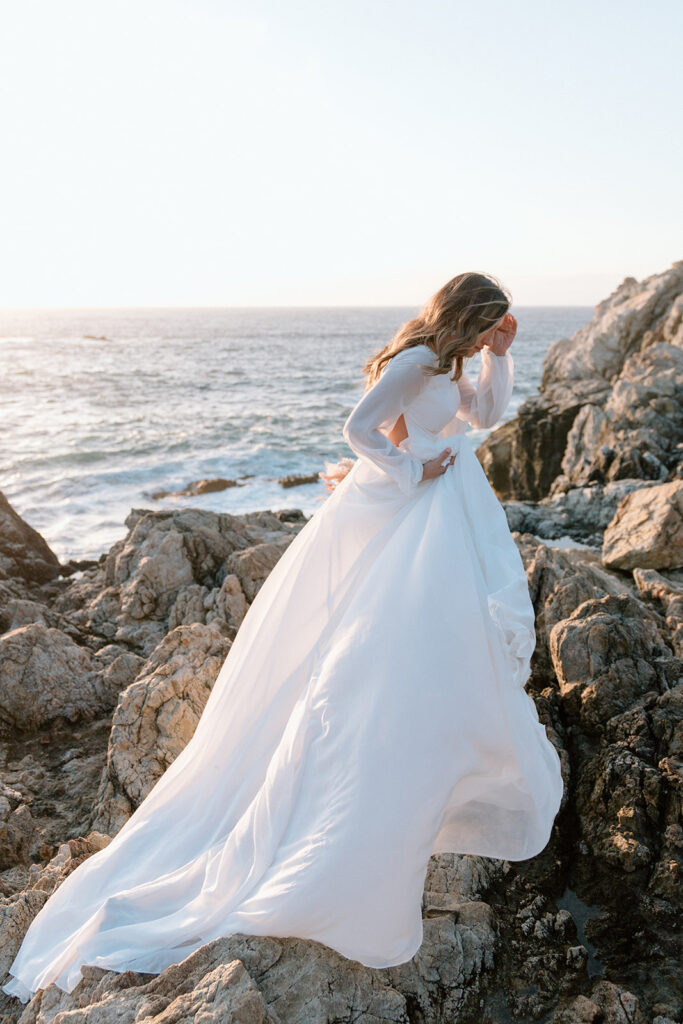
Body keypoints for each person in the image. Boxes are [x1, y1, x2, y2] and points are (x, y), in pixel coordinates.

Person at [2, 272, 564, 1003]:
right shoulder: (413, 361)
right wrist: (409, 466)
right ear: (460, 312)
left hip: (450, 508)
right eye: (487, 321)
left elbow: (484, 415)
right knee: (373, 657)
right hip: (413, 504)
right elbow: (358, 431)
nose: (492, 327)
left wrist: (500, 356)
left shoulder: (453, 364)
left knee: (439, 650)